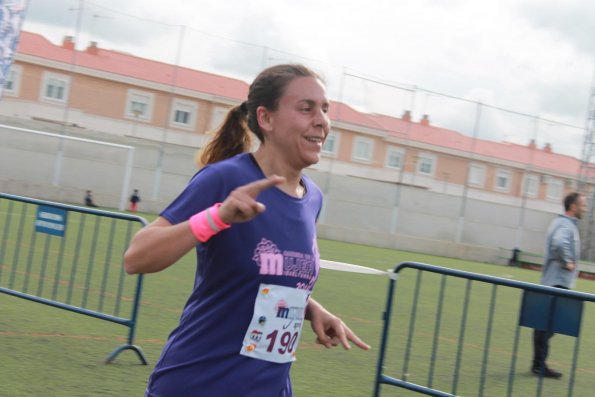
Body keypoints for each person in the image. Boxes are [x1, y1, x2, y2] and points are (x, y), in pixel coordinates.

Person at [124, 64, 369, 397]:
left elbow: (266, 275)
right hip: (200, 383)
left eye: (324, 109)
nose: (321, 121)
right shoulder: (225, 179)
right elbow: (137, 257)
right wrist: (218, 216)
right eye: (306, 108)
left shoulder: (312, 198)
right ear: (266, 119)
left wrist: (310, 307)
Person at [531, 191, 586, 379]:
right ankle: (539, 364)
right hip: (558, 281)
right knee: (549, 325)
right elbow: (558, 244)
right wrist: (567, 262)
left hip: (553, 280)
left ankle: (538, 363)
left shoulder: (561, 223)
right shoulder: (566, 225)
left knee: (545, 324)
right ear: (573, 206)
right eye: (583, 205)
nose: (584, 208)